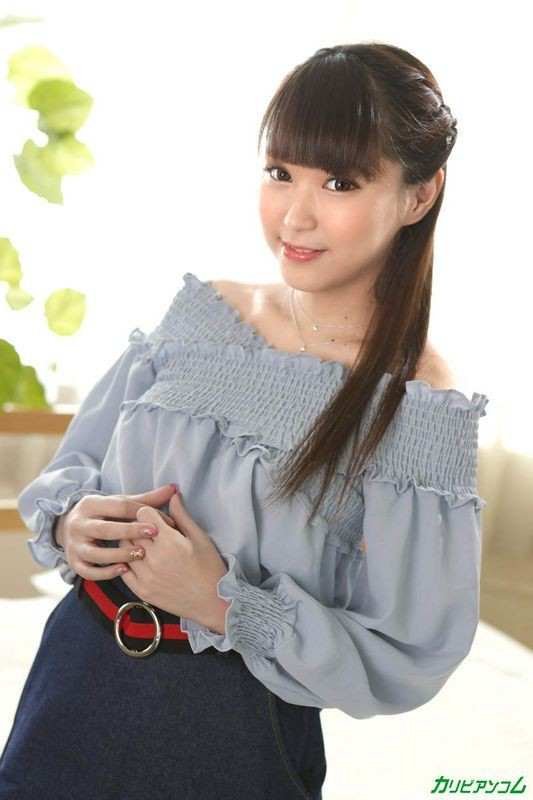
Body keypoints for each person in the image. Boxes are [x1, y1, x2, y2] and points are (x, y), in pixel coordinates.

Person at [0, 41, 489, 800]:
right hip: (75, 673)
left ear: (419, 196)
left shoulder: (417, 401)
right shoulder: (204, 314)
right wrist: (72, 523)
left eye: (339, 182)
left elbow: (408, 650)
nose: (295, 214)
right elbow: (78, 468)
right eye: (279, 172)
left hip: (231, 725)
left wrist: (221, 600)